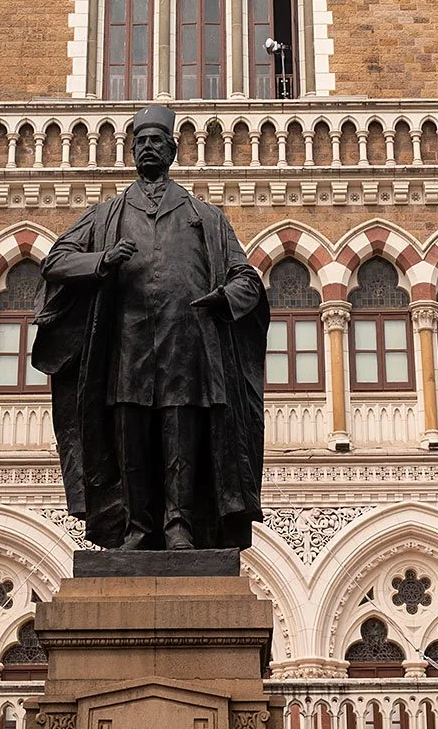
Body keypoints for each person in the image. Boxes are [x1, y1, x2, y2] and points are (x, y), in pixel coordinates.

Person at [33, 103, 267, 550]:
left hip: (187, 349)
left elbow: (247, 278)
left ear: (173, 150)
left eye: (156, 141)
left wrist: (224, 298)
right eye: (140, 141)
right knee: (131, 440)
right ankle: (137, 528)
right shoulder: (107, 215)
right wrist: (101, 260)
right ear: (132, 151)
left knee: (182, 440)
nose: (147, 147)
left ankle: (179, 526)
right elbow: (55, 261)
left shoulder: (205, 217)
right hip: (127, 349)